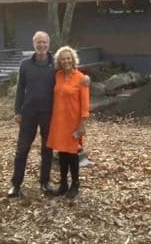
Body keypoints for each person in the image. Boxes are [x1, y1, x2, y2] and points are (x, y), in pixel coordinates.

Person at [8, 31, 56, 197]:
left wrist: (85, 81)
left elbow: (72, 77)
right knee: (22, 149)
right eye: (38, 42)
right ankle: (16, 184)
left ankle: (45, 182)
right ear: (34, 44)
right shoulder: (25, 64)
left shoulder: (55, 64)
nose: (41, 45)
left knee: (47, 149)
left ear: (48, 44)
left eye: (44, 42)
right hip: (28, 113)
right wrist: (17, 111)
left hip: (49, 113)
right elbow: (20, 89)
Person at [47, 46, 90, 199]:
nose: (66, 61)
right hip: (59, 121)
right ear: (59, 61)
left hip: (73, 122)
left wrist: (82, 124)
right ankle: (63, 184)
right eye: (63, 59)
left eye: (68, 58)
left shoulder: (81, 78)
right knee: (62, 153)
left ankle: (75, 184)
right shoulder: (57, 76)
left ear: (73, 59)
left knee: (72, 154)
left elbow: (85, 103)